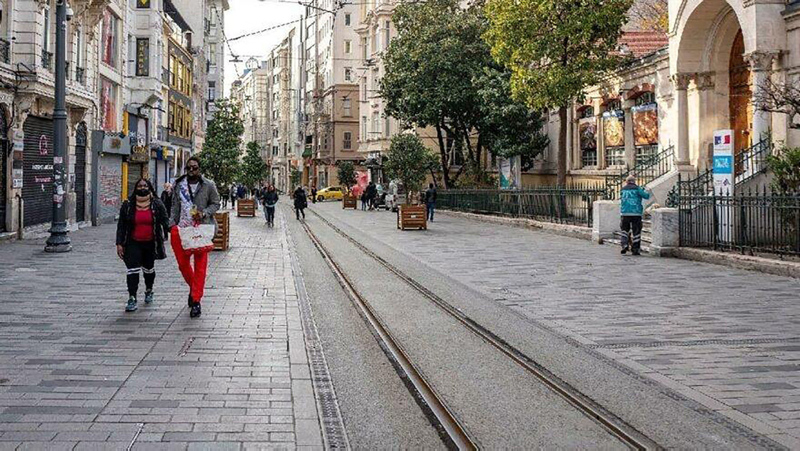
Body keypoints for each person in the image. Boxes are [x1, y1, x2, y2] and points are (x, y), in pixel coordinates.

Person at [170, 156, 221, 318]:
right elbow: (174, 206)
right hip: (181, 229)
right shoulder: (179, 184)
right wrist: (171, 225)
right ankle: (194, 290)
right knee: (183, 265)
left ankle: (196, 300)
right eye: (189, 168)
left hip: (201, 229)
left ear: (200, 169)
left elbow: (216, 203)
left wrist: (204, 213)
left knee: (200, 267)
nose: (191, 171)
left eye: (195, 168)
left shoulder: (208, 185)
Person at [116, 178, 170, 312]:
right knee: (132, 270)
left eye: (145, 185)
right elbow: (121, 225)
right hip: (132, 242)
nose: (142, 188)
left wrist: (176, 232)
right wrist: (119, 243)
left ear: (150, 187)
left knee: (148, 269)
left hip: (151, 243)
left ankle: (149, 289)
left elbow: (165, 221)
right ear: (135, 188)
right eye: (139, 186)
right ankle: (132, 297)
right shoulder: (128, 205)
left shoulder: (157, 204)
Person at [619, 175, 651, 256]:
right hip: (636, 213)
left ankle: (624, 245)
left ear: (627, 182)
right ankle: (635, 249)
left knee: (624, 230)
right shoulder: (637, 189)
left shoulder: (623, 189)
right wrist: (645, 190)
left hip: (625, 212)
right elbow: (646, 196)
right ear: (634, 181)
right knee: (636, 231)